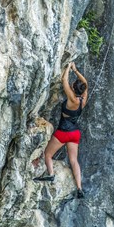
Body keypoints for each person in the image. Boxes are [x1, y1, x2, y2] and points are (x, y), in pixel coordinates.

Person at [33, 61, 88, 198]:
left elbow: (64, 80)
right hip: (75, 133)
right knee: (74, 160)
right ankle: (79, 188)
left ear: (74, 89)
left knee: (48, 154)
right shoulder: (82, 99)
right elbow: (84, 82)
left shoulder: (72, 98)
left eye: (73, 85)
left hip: (63, 132)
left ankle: (51, 174)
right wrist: (76, 71)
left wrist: (69, 68)